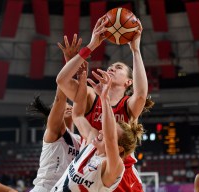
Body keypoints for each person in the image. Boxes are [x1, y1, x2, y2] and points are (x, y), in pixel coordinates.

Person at [56, 15, 154, 191]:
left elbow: (141, 95)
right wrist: (91, 46)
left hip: (121, 172)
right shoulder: (91, 96)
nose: (112, 68)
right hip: (91, 167)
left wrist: (135, 50)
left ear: (128, 82)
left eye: (118, 67)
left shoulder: (128, 105)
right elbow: (62, 81)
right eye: (111, 66)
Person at [51, 66, 144, 192]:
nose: (101, 131)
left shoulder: (114, 166)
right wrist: (81, 77)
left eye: (118, 67)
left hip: (124, 179)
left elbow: (110, 138)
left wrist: (104, 98)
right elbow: (77, 114)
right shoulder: (91, 142)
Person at [27, 37, 83, 192]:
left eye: (69, 103)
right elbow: (60, 97)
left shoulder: (77, 138)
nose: (68, 105)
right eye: (64, 106)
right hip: (45, 188)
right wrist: (69, 63)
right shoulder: (53, 131)